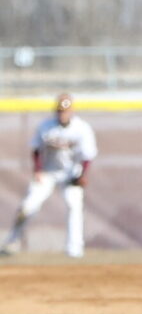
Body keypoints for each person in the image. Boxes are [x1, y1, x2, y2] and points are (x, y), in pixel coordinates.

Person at [0, 93, 98, 259]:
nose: (62, 114)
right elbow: (36, 149)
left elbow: (87, 155)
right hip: (48, 172)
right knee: (28, 206)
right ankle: (13, 241)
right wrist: (38, 170)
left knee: (74, 206)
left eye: (66, 111)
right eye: (60, 111)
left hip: (71, 173)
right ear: (55, 111)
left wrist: (83, 174)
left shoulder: (82, 128)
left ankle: (74, 249)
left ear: (72, 111)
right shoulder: (46, 126)